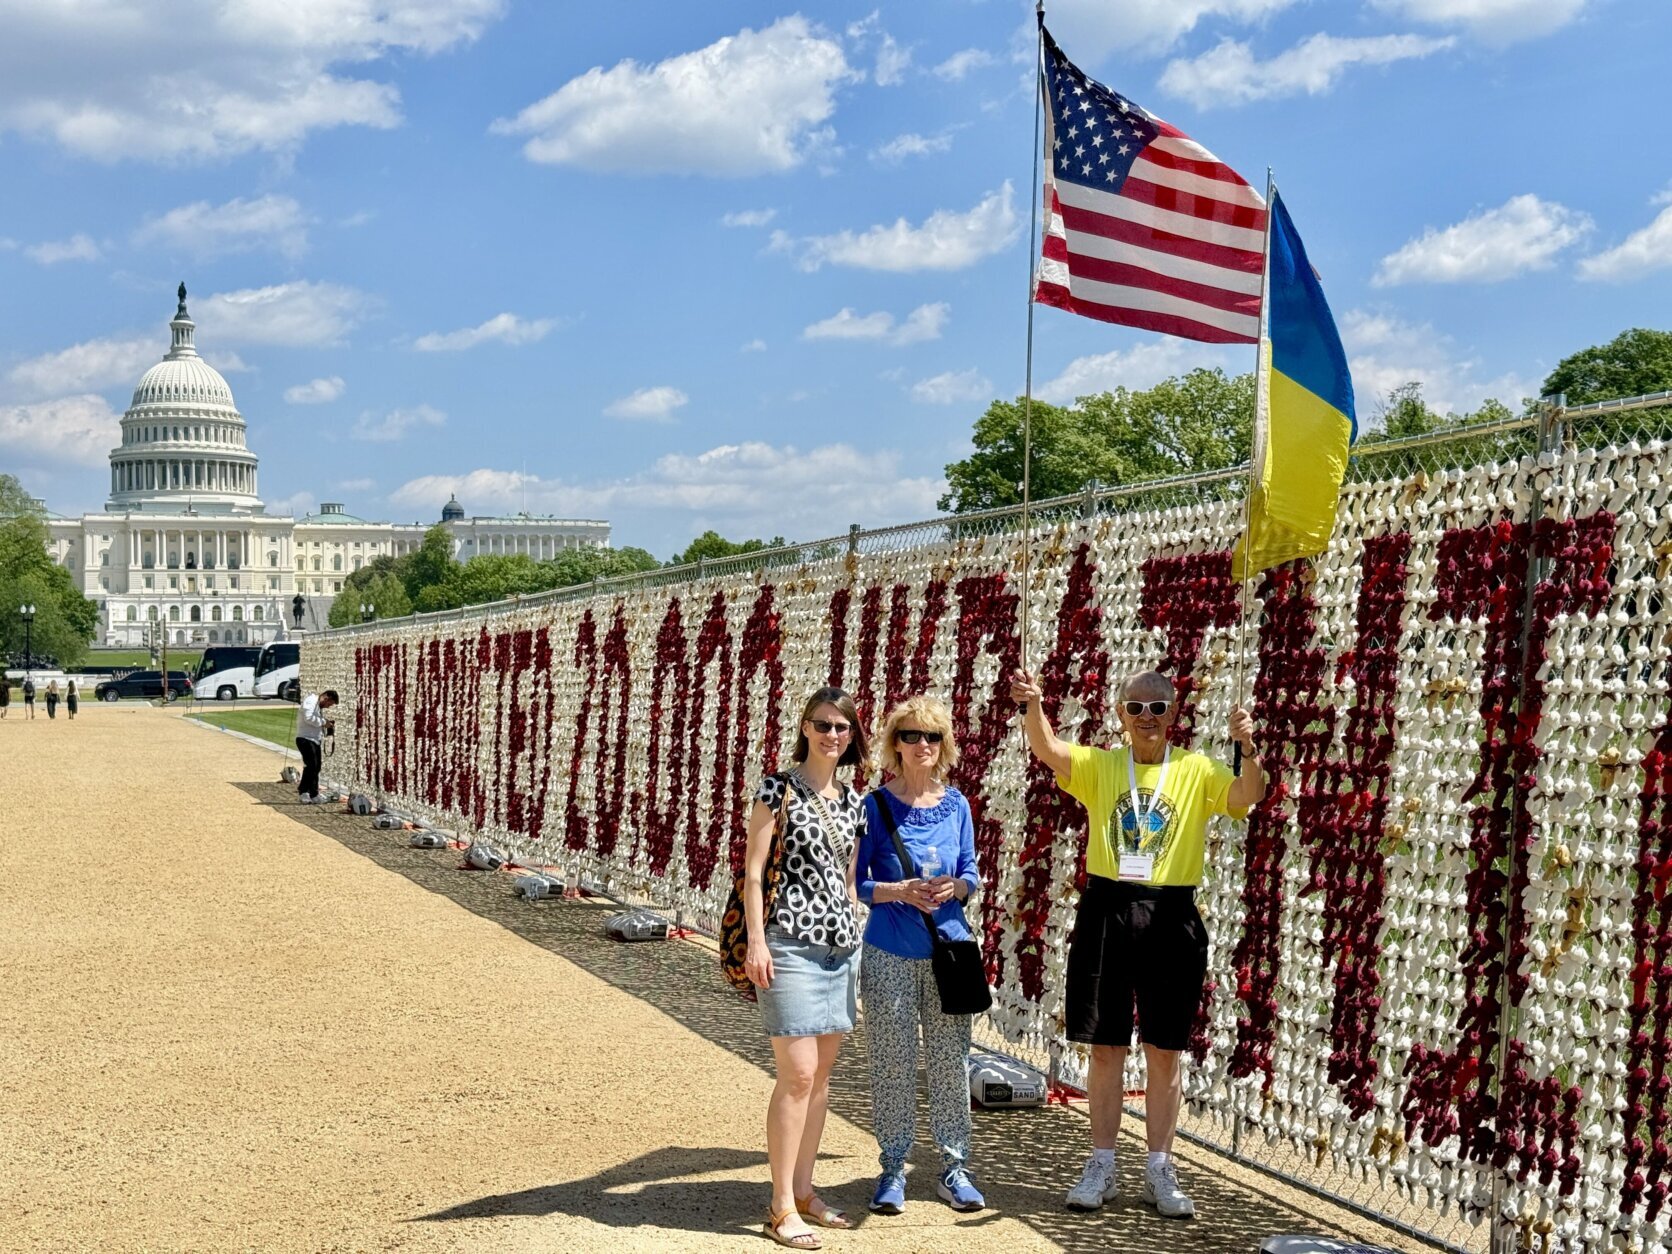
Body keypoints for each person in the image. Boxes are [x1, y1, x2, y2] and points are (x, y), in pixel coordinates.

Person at [1009, 667, 1266, 1220]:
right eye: (1136, 708)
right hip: (1107, 908)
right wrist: (1033, 705)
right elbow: (1051, 750)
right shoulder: (1104, 765)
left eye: (1158, 707)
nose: (1146, 717)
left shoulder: (1197, 768)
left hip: (1172, 912)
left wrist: (1247, 746)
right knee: (1105, 1045)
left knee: (1165, 1048)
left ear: (1175, 714)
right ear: (1120, 715)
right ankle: (1102, 1162)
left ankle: (1159, 1167)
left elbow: (1248, 794)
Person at [743, 686, 870, 1250]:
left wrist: (856, 919)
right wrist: (756, 942)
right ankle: (779, 1205)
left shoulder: (854, 801)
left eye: (841, 727)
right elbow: (753, 871)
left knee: (820, 1079)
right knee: (795, 1075)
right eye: (822, 724)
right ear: (805, 727)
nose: (832, 735)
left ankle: (803, 1190)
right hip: (788, 945)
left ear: (852, 735)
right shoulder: (777, 788)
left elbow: (847, 875)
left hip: (841, 948)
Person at [855, 695, 985, 1216]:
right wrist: (899, 890)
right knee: (892, 1063)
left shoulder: (958, 806)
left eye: (932, 736)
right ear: (895, 745)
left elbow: (973, 873)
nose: (922, 746)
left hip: (947, 951)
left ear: (944, 744)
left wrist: (955, 885)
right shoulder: (873, 806)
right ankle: (892, 1168)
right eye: (911, 736)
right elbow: (857, 884)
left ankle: (955, 1168)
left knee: (951, 1064)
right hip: (888, 951)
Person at [294, 689, 339, 803]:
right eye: (329, 704)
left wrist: (325, 723)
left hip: (314, 740)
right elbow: (308, 718)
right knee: (311, 766)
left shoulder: (317, 706)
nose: (328, 707)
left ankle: (313, 793)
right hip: (305, 738)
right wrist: (324, 723)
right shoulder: (311, 701)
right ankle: (304, 791)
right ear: (326, 697)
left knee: (316, 767)